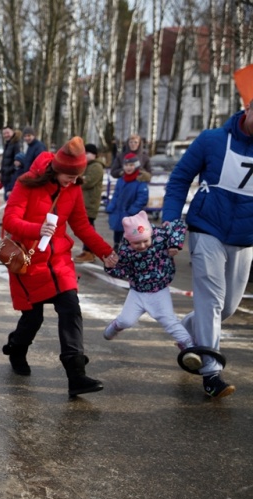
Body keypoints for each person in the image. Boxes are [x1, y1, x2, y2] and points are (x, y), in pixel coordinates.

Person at [1, 136, 119, 397]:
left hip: (58, 261)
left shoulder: (73, 189)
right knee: (33, 318)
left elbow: (82, 226)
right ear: (57, 168)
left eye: (78, 176)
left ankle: (76, 374)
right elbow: (10, 220)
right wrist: (36, 228)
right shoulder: (27, 183)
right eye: (70, 175)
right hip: (28, 259)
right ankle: (16, 348)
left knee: (71, 309)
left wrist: (105, 252)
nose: (74, 181)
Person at [160, 75, 253, 398]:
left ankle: (188, 331)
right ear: (249, 108)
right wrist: (171, 223)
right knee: (211, 302)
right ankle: (211, 374)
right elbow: (179, 179)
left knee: (225, 308)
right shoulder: (212, 139)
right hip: (207, 229)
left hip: (245, 238)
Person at [103, 212, 193, 346]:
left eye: (145, 240)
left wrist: (174, 244)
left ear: (150, 234)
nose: (142, 245)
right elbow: (123, 271)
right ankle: (116, 326)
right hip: (137, 292)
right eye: (137, 243)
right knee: (126, 321)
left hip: (159, 290)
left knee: (169, 320)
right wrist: (110, 267)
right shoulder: (126, 251)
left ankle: (188, 345)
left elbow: (178, 225)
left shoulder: (161, 236)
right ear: (129, 240)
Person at [106, 153, 150, 250]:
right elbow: (116, 195)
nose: (128, 168)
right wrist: (111, 206)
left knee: (130, 237)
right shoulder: (121, 180)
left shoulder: (140, 181)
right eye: (126, 165)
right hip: (119, 214)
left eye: (131, 165)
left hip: (131, 216)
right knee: (117, 234)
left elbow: (142, 198)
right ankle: (117, 248)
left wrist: (132, 211)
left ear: (136, 166)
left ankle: (128, 252)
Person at [74, 143, 106, 262]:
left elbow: (88, 182)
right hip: (84, 202)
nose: (85, 155)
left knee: (88, 228)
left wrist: (76, 179)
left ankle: (90, 251)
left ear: (94, 154)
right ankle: (87, 250)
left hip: (90, 203)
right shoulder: (86, 165)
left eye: (87, 153)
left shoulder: (96, 166)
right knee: (86, 227)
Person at [0, 127, 23, 200]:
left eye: (8, 132)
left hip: (11, 177)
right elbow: (5, 161)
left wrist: (10, 171)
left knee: (10, 199)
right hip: (6, 177)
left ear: (13, 132)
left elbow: (18, 162)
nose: (6, 135)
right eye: (4, 133)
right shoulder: (8, 144)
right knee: (7, 199)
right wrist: (1, 172)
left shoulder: (16, 144)